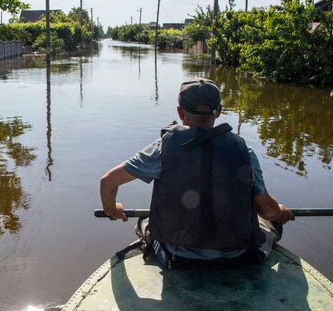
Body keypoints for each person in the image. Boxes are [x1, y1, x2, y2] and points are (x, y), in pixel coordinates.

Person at [100, 78, 295, 267]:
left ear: (180, 112)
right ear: (218, 111)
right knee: (272, 223)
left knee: (147, 220)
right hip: (237, 255)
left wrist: (112, 209)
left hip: (175, 255)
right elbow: (268, 211)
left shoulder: (164, 148)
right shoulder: (244, 151)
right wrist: (280, 211)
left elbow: (108, 182)